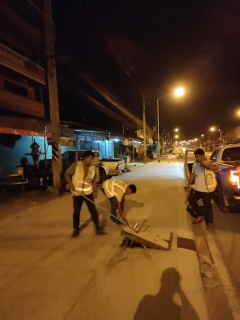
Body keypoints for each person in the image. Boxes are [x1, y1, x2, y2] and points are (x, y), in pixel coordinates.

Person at [64, 150, 106, 237]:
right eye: (90, 159)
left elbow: (94, 180)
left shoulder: (92, 168)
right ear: (85, 158)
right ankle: (76, 229)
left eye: (92, 159)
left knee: (93, 211)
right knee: (76, 212)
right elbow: (67, 174)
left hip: (88, 192)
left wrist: (94, 191)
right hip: (77, 193)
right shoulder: (76, 165)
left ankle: (97, 228)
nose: (91, 161)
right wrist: (70, 184)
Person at [187, 148, 219, 229]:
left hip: (207, 190)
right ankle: (200, 214)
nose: (196, 158)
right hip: (197, 189)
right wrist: (189, 184)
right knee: (191, 200)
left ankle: (209, 223)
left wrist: (204, 164)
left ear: (202, 156)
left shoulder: (210, 162)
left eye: (198, 157)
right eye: (196, 157)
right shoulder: (195, 164)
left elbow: (216, 168)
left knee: (207, 206)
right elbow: (192, 174)